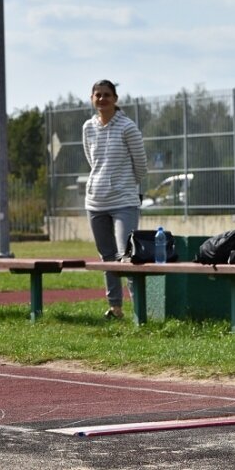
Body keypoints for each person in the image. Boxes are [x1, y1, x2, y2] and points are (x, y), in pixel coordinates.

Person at [82, 80, 148, 320]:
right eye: (97, 95)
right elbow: (93, 162)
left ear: (115, 99)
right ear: (92, 99)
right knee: (106, 257)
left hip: (124, 201)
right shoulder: (88, 127)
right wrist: (101, 182)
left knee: (127, 256)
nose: (102, 99)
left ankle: (140, 311)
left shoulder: (127, 127)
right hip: (95, 202)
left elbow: (141, 164)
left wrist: (126, 184)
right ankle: (115, 308)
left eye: (107, 95)